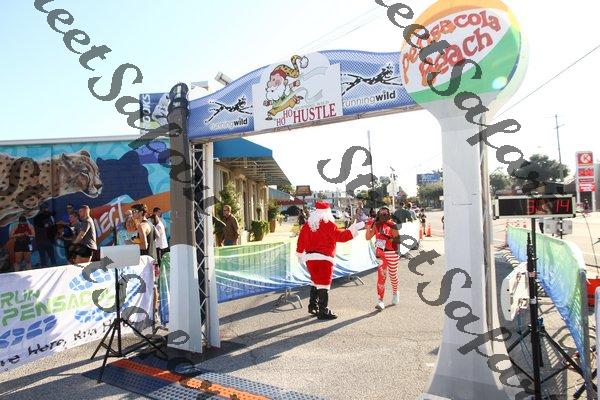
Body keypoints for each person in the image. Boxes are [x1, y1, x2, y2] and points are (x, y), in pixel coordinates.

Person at [296, 201, 365, 320]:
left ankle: (313, 306)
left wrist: (300, 253)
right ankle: (323, 310)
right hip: (324, 259)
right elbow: (341, 237)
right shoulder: (328, 224)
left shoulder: (307, 225)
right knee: (323, 284)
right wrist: (352, 230)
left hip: (310, 259)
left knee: (315, 282)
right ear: (327, 212)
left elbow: (300, 240)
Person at [365, 207, 400, 311]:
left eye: (385, 213)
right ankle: (380, 301)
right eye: (381, 213)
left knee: (393, 275)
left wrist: (386, 237)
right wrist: (368, 226)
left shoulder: (392, 224)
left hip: (392, 252)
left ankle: (395, 292)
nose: (383, 215)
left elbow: (397, 240)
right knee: (381, 277)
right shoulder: (376, 225)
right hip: (380, 254)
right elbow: (367, 237)